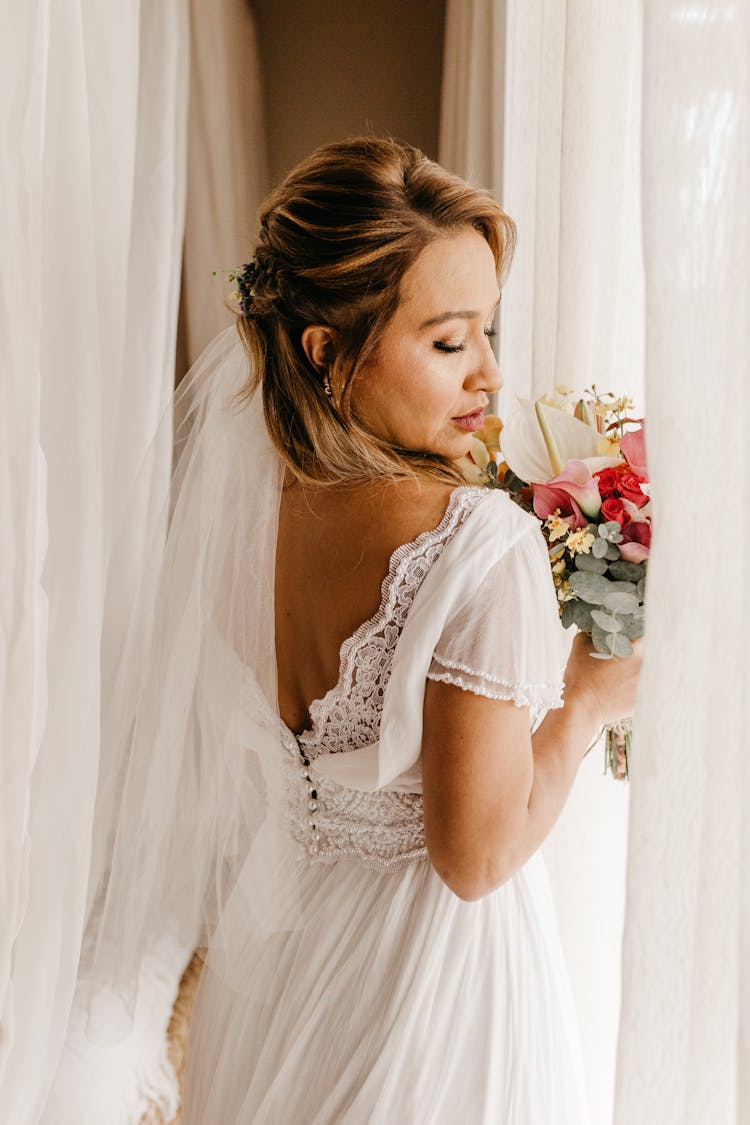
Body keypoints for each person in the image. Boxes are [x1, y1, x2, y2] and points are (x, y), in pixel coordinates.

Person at [90, 137, 642, 1123]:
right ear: (327, 350)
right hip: (426, 998)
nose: (490, 376)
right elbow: (473, 860)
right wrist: (589, 701)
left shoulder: (250, 511)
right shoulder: (476, 543)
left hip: (284, 979)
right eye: (448, 341)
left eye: (487, 331)